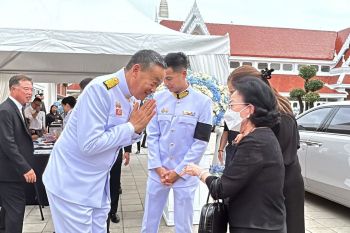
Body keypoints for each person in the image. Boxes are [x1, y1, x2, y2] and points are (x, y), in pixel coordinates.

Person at [43, 49, 166, 233]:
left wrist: (136, 129)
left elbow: (122, 134)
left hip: (96, 184)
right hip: (72, 184)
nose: (154, 90)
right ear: (136, 70)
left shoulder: (130, 97)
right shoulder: (101, 89)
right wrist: (131, 127)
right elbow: (89, 144)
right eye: (154, 83)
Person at [184, 76, 286, 232]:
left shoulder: (255, 143)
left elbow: (221, 189)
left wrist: (199, 172)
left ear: (249, 110)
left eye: (232, 105)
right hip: (262, 222)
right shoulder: (262, 136)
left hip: (256, 226)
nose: (229, 110)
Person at [141, 52, 212, 233]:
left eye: (170, 78)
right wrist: (158, 167)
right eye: (164, 79)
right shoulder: (158, 99)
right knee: (149, 221)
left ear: (184, 74)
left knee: (183, 225)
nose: (166, 83)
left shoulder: (202, 103)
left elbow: (200, 142)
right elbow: (153, 135)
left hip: (185, 173)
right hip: (159, 171)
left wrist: (178, 172)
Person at [228, 65, 305, 233]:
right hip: (276, 185)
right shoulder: (266, 112)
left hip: (284, 185)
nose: (232, 98)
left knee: (290, 225)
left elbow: (280, 154)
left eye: (233, 92)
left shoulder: (280, 115)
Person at [0, 74, 37, 233]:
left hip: (10, 172)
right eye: (26, 89)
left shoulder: (17, 108)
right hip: (10, 173)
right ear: (13, 89)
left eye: (31, 89)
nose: (29, 93)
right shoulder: (6, 110)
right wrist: (25, 168)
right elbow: (8, 143)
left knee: (8, 212)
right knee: (15, 212)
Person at [107, 146, 131, 232]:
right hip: (98, 151)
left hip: (116, 151)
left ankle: (112, 212)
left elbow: (128, 132)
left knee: (115, 183)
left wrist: (127, 151)